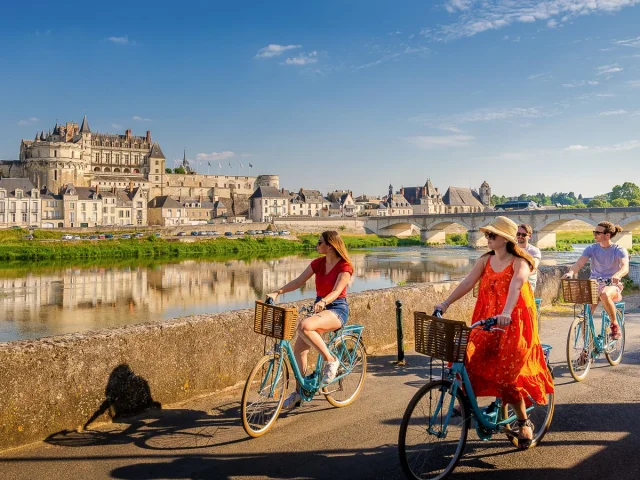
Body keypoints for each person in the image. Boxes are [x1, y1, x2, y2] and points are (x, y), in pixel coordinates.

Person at [434, 216, 554, 449]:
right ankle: (467, 399)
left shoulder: (521, 262)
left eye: (492, 235)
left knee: (508, 376)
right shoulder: (486, 260)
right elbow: (467, 282)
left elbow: (516, 285)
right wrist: (445, 303)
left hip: (515, 321)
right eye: (487, 234)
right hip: (487, 318)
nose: (487, 238)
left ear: (506, 239)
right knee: (467, 354)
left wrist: (506, 312)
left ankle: (523, 421)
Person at [266, 230, 354, 409]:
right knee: (299, 350)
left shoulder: (344, 267)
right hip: (319, 307)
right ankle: (300, 391)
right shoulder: (318, 264)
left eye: (319, 242)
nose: (317, 245)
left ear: (330, 246)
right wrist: (277, 292)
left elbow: (337, 291)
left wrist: (323, 301)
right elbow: (298, 282)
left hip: (337, 308)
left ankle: (331, 360)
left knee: (305, 326)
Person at [562, 221, 629, 340]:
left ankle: (615, 325)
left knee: (604, 294)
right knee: (585, 316)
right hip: (594, 284)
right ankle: (587, 349)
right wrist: (570, 272)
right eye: (594, 232)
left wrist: (618, 275)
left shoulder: (619, 249)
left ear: (607, 235)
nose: (595, 234)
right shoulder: (591, 248)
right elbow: (579, 264)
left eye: (597, 232)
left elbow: (625, 267)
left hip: (611, 284)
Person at [516, 224, 541, 292]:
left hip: (528, 280)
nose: (520, 236)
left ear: (529, 236)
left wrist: (521, 276)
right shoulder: (511, 248)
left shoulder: (534, 251)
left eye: (523, 235)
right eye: (518, 234)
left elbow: (534, 266)